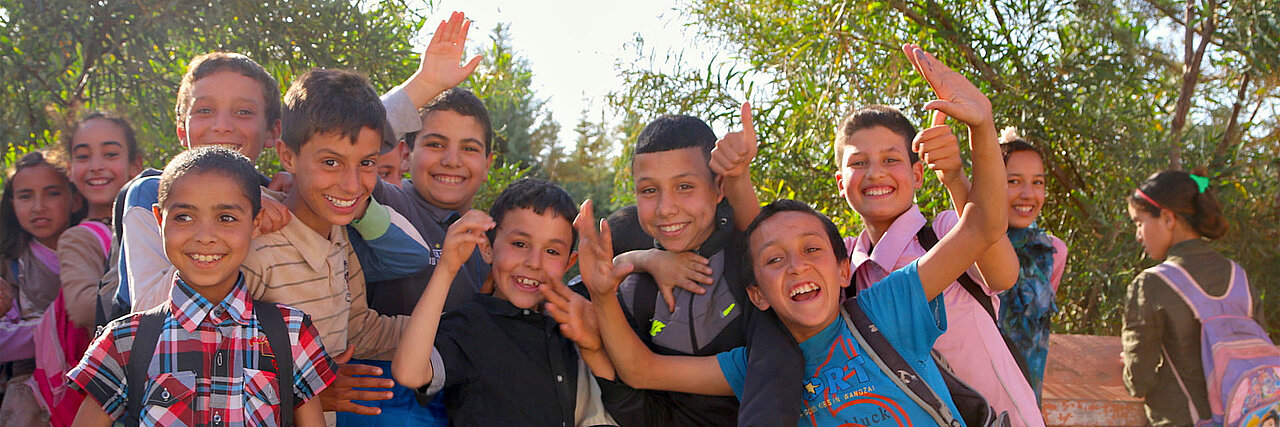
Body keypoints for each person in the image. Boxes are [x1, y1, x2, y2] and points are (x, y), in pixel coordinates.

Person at [570, 49, 1012, 421]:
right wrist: (603, 294)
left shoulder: (885, 309)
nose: (797, 265)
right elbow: (641, 369)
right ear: (758, 295)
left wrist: (982, 126)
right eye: (775, 261)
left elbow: (983, 226)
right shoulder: (747, 367)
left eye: (812, 249)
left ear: (844, 271)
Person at [67, 146, 335, 426]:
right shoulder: (124, 342)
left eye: (226, 218)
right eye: (184, 217)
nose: (205, 236)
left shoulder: (291, 334)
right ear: (160, 221)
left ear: (255, 224)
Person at [391, 178, 617, 426]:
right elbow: (409, 373)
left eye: (552, 251)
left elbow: (611, 398)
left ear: (569, 264)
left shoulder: (567, 325)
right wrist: (447, 269)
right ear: (487, 248)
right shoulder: (471, 325)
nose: (533, 262)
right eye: (519, 244)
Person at [1121, 169, 1258, 426]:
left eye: (1139, 222)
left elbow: (1139, 381)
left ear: (1167, 219)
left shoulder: (1150, 284)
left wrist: (1129, 365)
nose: (1138, 234)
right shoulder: (1240, 277)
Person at [0, 150, 84, 425]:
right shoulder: (10, 266)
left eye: (52, 193)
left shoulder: (97, 251)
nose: (38, 206)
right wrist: (62, 329)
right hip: (29, 395)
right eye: (25, 196)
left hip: (89, 384)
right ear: (11, 203)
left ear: (75, 199)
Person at [59, 112, 146, 332]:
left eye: (110, 154)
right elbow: (82, 308)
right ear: (69, 168)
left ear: (135, 165)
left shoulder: (149, 221)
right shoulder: (78, 238)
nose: (96, 166)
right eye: (82, 157)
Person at [997, 129, 1067, 400]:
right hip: (967, 400)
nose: (1028, 194)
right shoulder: (963, 245)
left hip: (1025, 398)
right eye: (1013, 181)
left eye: (1037, 183)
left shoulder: (1053, 253)